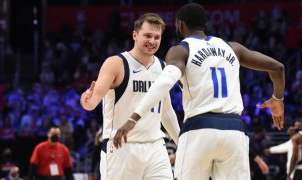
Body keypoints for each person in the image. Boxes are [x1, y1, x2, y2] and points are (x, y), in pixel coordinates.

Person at [113, 3, 285, 180]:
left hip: (200, 128)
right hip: (235, 131)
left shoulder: (181, 50)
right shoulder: (233, 48)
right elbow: (278, 68)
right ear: (205, 24)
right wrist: (277, 98)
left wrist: (134, 117)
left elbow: (164, 82)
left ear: (179, 24)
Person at [80, 13, 180, 180]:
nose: (152, 41)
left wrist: (182, 143)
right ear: (135, 35)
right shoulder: (116, 63)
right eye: (147, 35)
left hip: (155, 147)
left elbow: (166, 112)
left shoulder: (163, 67)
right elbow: (91, 103)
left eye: (157, 37)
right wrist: (86, 97)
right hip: (121, 147)